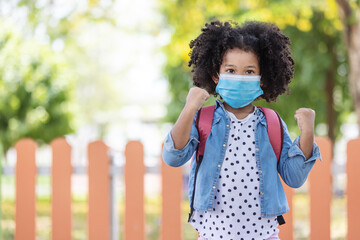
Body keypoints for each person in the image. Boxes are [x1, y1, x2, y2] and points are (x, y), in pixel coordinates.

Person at [162, 20, 322, 240]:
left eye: (249, 71)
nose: (239, 77)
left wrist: (307, 133)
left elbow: (294, 177)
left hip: (264, 235)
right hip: (212, 235)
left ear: (262, 78)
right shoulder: (203, 119)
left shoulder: (272, 122)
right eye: (230, 70)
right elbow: (173, 156)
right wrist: (190, 108)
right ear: (216, 76)